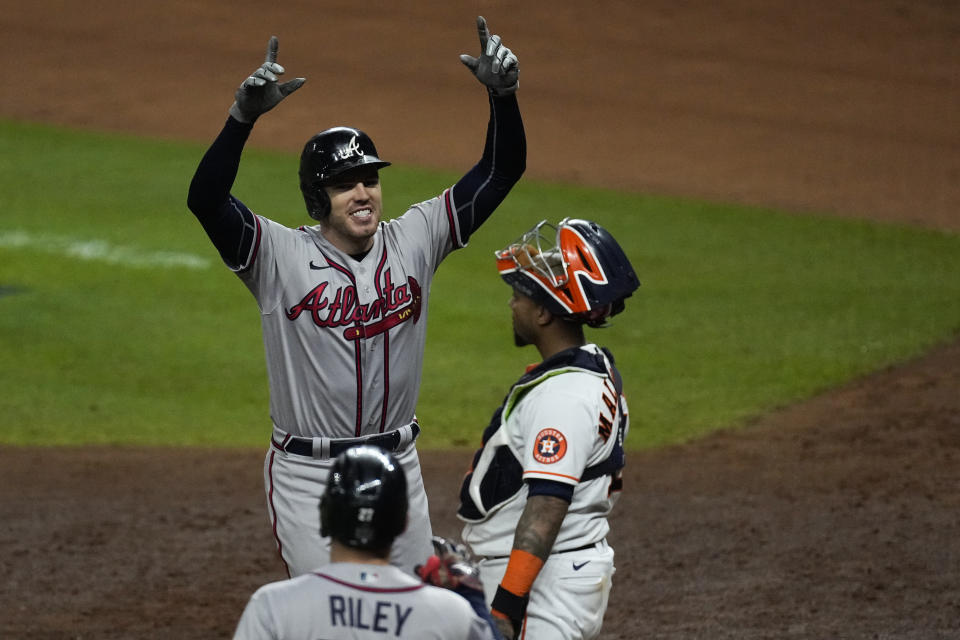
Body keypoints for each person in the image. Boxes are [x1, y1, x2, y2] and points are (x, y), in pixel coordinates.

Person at [186, 16, 525, 578]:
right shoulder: (277, 257)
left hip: (398, 463)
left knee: (415, 613)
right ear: (318, 198)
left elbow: (500, 169)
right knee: (331, 615)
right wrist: (241, 119)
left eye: (370, 178)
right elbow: (206, 199)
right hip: (308, 472)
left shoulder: (416, 238)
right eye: (346, 183)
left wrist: (504, 96)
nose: (363, 192)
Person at [457, 218, 641, 640]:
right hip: (555, 570)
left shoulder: (564, 397)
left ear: (543, 312)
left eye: (518, 295)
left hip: (542, 583)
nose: (511, 305)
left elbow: (546, 507)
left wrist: (506, 606)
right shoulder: (589, 365)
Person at [233, 445, 502, 639]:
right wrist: (475, 603)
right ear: (403, 523)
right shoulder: (451, 612)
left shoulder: (272, 606)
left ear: (324, 516)